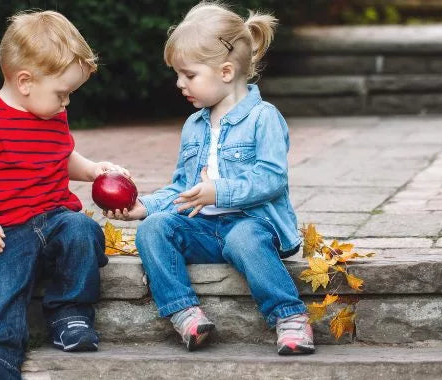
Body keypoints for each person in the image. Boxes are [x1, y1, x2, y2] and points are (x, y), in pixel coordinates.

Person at [106, 2, 314, 355]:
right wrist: (145, 207)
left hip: (254, 224)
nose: (179, 83)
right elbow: (182, 188)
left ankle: (289, 317)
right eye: (178, 74)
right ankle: (185, 313)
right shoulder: (194, 126)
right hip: (204, 229)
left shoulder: (264, 118)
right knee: (154, 229)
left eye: (188, 75)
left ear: (227, 71)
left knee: (243, 239)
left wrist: (220, 191)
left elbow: (271, 179)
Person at [0, 10, 128, 379]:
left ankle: (70, 315)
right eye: (62, 94)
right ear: (25, 81)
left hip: (55, 217)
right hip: (8, 229)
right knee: (6, 286)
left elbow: (62, 155)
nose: (67, 104)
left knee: (83, 230)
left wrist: (92, 169)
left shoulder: (50, 115)